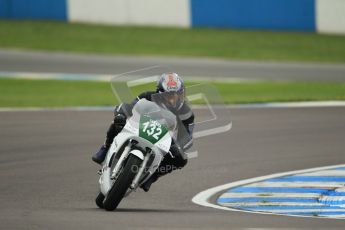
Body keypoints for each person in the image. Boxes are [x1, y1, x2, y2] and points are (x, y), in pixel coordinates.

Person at [92, 72, 195, 191]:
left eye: (177, 95)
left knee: (181, 159)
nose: (173, 99)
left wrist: (179, 146)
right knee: (118, 121)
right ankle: (105, 148)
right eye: (169, 95)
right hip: (139, 125)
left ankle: (153, 176)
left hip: (163, 136)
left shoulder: (186, 112)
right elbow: (129, 106)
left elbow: (188, 137)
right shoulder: (147, 95)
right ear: (160, 93)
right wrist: (121, 113)